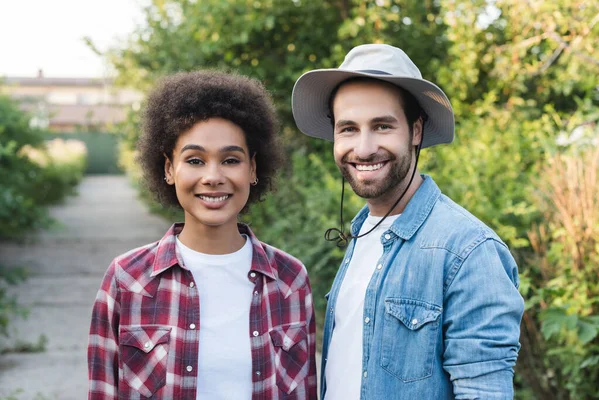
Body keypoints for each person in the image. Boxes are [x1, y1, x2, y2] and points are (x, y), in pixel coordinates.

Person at [291, 44, 524, 399]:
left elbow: (484, 390)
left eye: (382, 126)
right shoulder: (363, 233)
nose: (364, 148)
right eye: (348, 129)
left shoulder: (469, 250)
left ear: (416, 131)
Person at [88, 71, 317, 399]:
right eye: (195, 160)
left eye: (230, 160)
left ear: (252, 169)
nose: (213, 176)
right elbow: (102, 390)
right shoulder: (127, 280)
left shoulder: (290, 281)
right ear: (169, 169)